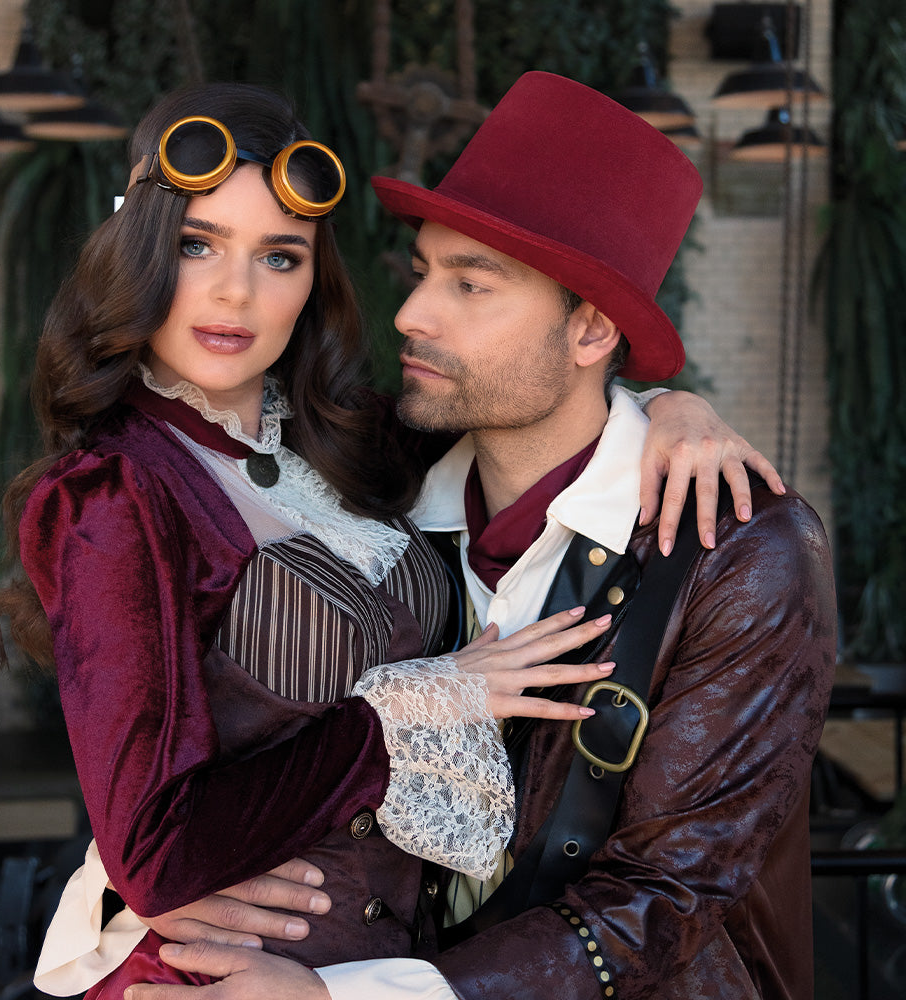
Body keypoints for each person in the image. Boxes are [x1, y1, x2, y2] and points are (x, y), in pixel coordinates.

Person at [125, 73, 837, 1000]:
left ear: (591, 330)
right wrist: (147, 886)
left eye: (470, 284)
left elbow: (666, 896)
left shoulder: (740, 554)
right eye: (423, 272)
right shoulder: (371, 480)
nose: (411, 314)